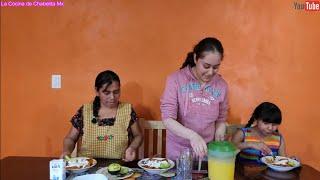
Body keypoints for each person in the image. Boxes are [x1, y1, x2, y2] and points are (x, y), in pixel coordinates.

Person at [160, 37, 229, 160]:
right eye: (206, 66)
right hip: (178, 154)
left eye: (216, 67)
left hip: (207, 154)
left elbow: (221, 118)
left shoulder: (222, 85)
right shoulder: (175, 80)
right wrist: (193, 136)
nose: (210, 72)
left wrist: (220, 130)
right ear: (195, 58)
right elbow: (168, 119)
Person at [60, 70, 143, 161]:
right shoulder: (85, 111)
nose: (112, 97)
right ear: (97, 91)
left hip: (119, 165)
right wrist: (66, 151)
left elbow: (138, 135)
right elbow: (71, 138)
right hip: (87, 165)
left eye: (116, 92)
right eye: (106, 93)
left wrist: (132, 148)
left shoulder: (127, 110)